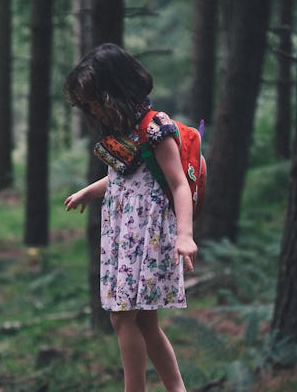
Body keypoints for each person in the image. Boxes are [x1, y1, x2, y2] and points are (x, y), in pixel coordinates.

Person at [64, 43, 197, 392]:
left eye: (93, 102)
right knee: (145, 323)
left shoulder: (155, 129)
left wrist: (185, 235)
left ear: (114, 93)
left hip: (149, 236)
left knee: (122, 318)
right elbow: (123, 178)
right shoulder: (122, 133)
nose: (91, 111)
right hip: (125, 236)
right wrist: (90, 191)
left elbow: (178, 185)